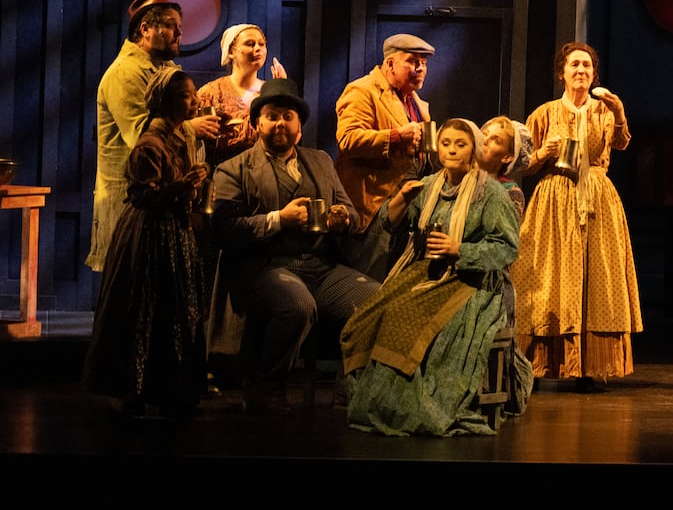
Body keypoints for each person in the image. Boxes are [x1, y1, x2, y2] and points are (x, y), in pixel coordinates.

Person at [341, 118, 531, 435]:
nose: (452, 150)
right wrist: (401, 198)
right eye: (446, 144)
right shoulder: (429, 186)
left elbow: (507, 248)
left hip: (472, 281)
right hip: (425, 272)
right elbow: (389, 226)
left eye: (461, 144)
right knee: (369, 318)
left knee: (404, 317)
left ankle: (415, 406)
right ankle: (378, 401)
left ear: (474, 149)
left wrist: (461, 249)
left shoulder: (491, 194)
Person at [212, 78, 378, 414]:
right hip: (266, 267)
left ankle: (349, 391)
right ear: (257, 123)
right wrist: (279, 219)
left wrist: (341, 219)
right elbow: (224, 231)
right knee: (296, 304)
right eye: (272, 116)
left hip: (320, 266)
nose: (280, 123)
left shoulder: (319, 162)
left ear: (299, 125)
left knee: (375, 300)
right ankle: (266, 386)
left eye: (288, 116)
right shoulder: (233, 169)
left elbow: (352, 214)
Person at [509, 42, 641, 385]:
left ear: (594, 74)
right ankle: (541, 364)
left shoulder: (605, 110)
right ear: (562, 73)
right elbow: (521, 165)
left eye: (586, 66)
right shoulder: (544, 113)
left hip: (597, 197)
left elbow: (622, 143)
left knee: (597, 277)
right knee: (549, 277)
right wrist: (543, 153)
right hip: (554, 197)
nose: (581, 71)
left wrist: (620, 110)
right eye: (574, 65)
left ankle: (592, 368)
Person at [82, 66, 210, 418]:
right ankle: (135, 389)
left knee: (175, 312)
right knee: (145, 310)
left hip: (175, 231)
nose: (195, 102)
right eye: (186, 96)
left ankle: (172, 390)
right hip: (151, 234)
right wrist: (183, 185)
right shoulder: (150, 144)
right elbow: (142, 196)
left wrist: (193, 184)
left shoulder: (180, 136)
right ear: (165, 101)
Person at [90, 0, 220, 272]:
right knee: (131, 287)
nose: (178, 35)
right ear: (145, 29)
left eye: (180, 28)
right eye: (172, 26)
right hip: (133, 199)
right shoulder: (126, 73)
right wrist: (191, 126)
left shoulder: (165, 69)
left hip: (163, 200)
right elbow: (140, 135)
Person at [334, 33, 434, 230]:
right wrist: (396, 136)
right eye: (413, 62)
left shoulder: (413, 99)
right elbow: (347, 139)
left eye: (423, 63)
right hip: (374, 205)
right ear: (390, 64)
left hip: (406, 203)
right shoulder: (363, 90)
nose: (421, 68)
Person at [196, 23, 288, 164]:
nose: (257, 48)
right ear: (231, 52)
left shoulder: (270, 92)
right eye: (250, 44)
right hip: (223, 174)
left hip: (265, 173)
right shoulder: (211, 93)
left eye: (261, 44)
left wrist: (282, 93)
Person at [480, 116, 534, 222]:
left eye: (496, 141)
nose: (485, 141)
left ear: (507, 157)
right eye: (484, 134)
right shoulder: (460, 178)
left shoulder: (510, 193)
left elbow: (504, 236)